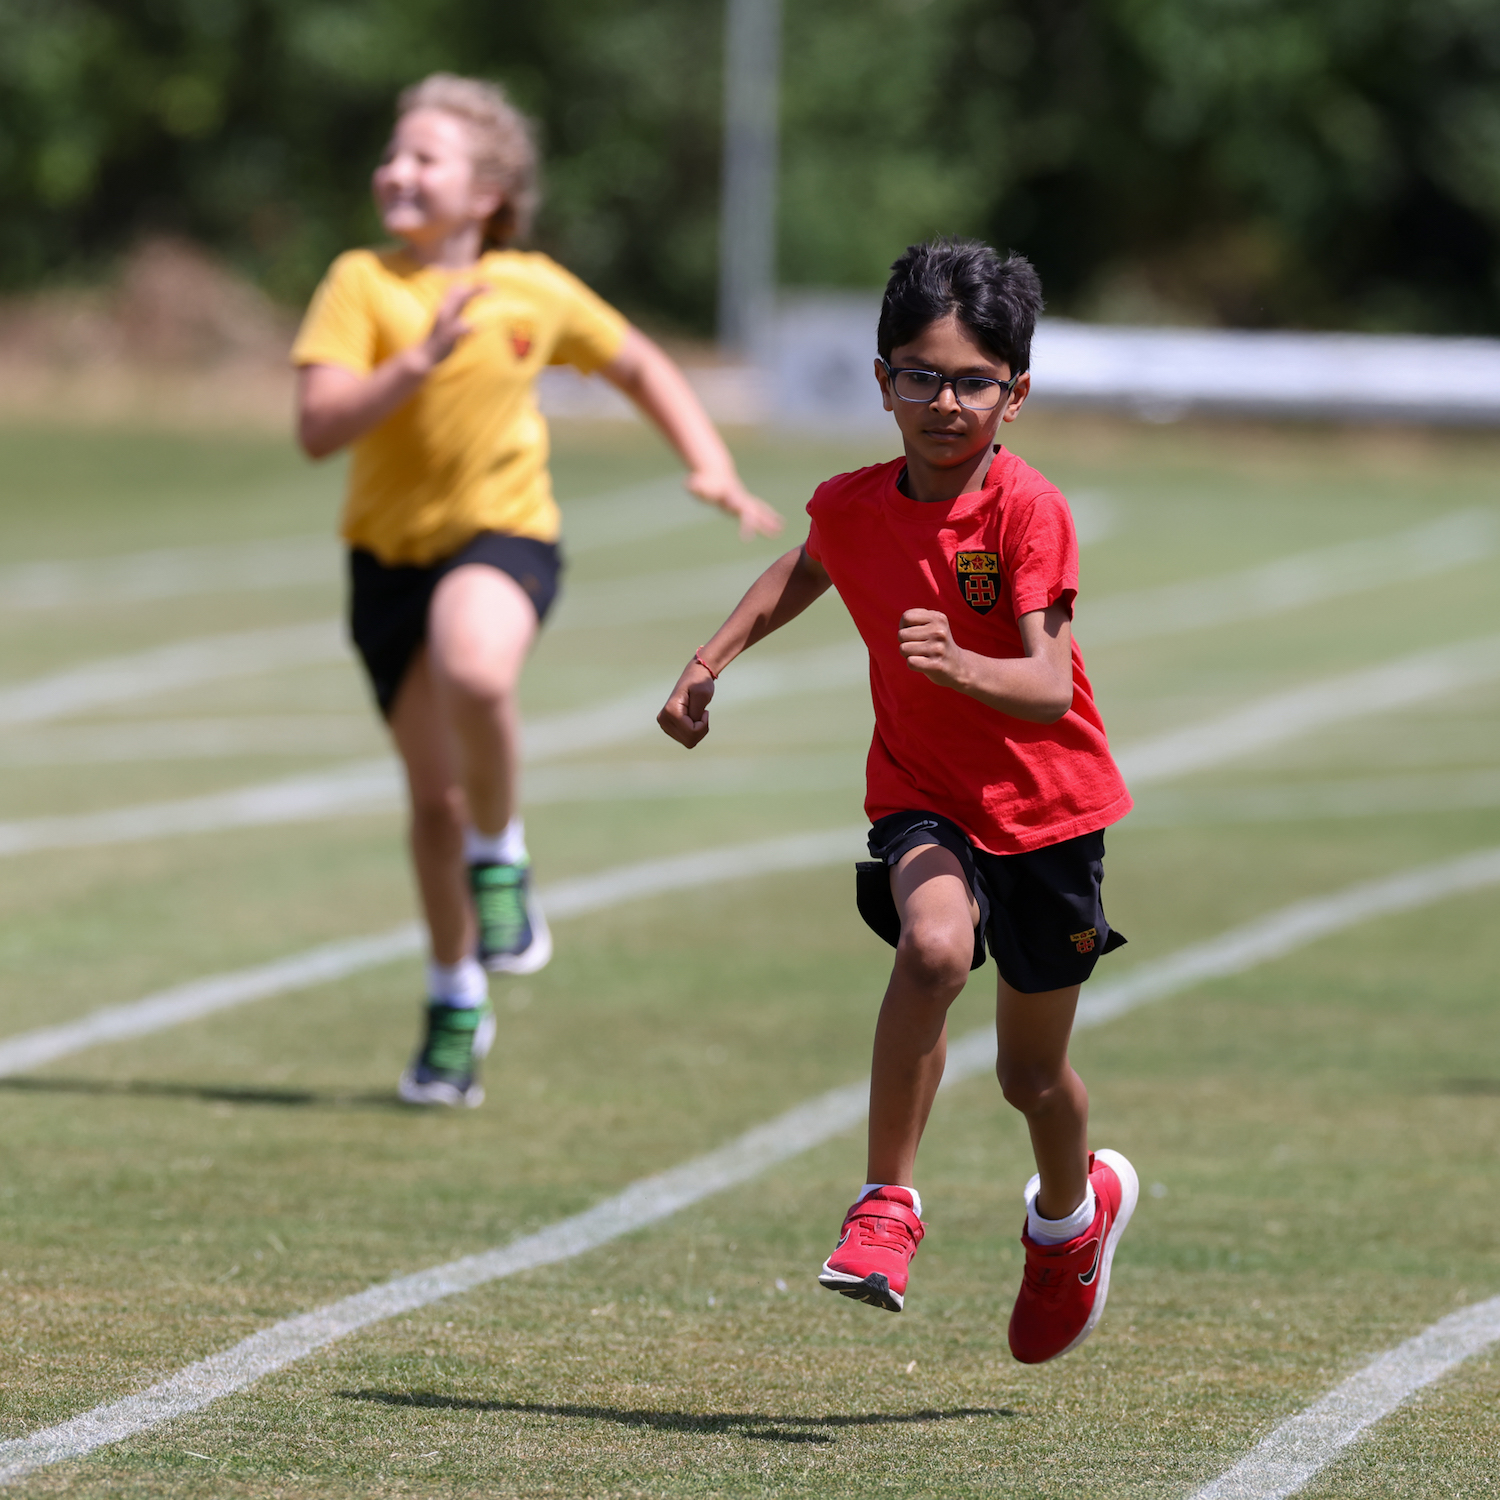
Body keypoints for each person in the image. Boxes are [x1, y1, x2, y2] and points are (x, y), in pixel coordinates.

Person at [657, 239, 1136, 1363]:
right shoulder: (856, 504)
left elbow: (1046, 686)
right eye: (920, 376)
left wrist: (958, 665)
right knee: (930, 948)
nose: (945, 403)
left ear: (1016, 395)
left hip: (1049, 814)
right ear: (881, 381)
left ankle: (1072, 1219)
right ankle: (885, 1206)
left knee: (1031, 1076)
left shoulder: (1026, 513)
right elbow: (806, 565)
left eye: (974, 382)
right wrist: (709, 660)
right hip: (923, 798)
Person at [292, 73, 780, 1109]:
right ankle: (454, 995)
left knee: (476, 667)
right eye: (392, 153)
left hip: (505, 535)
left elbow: (640, 364)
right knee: (433, 801)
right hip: (385, 563)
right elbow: (318, 428)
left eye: (426, 158)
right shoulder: (359, 283)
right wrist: (419, 359)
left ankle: (502, 856)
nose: (398, 171)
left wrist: (710, 462)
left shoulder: (534, 288)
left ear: (489, 193)